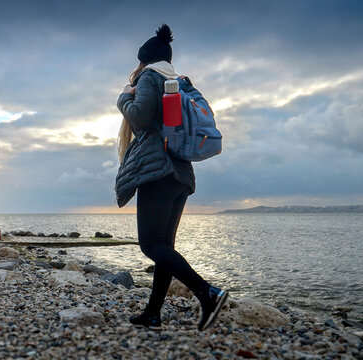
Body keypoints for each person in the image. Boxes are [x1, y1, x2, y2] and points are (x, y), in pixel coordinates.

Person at [115, 24, 228, 331]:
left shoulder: (150, 77)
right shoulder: (177, 83)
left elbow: (138, 116)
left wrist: (122, 99)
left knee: (151, 244)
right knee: (165, 246)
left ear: (145, 60)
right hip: (180, 175)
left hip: (157, 173)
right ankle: (153, 314)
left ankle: (208, 293)